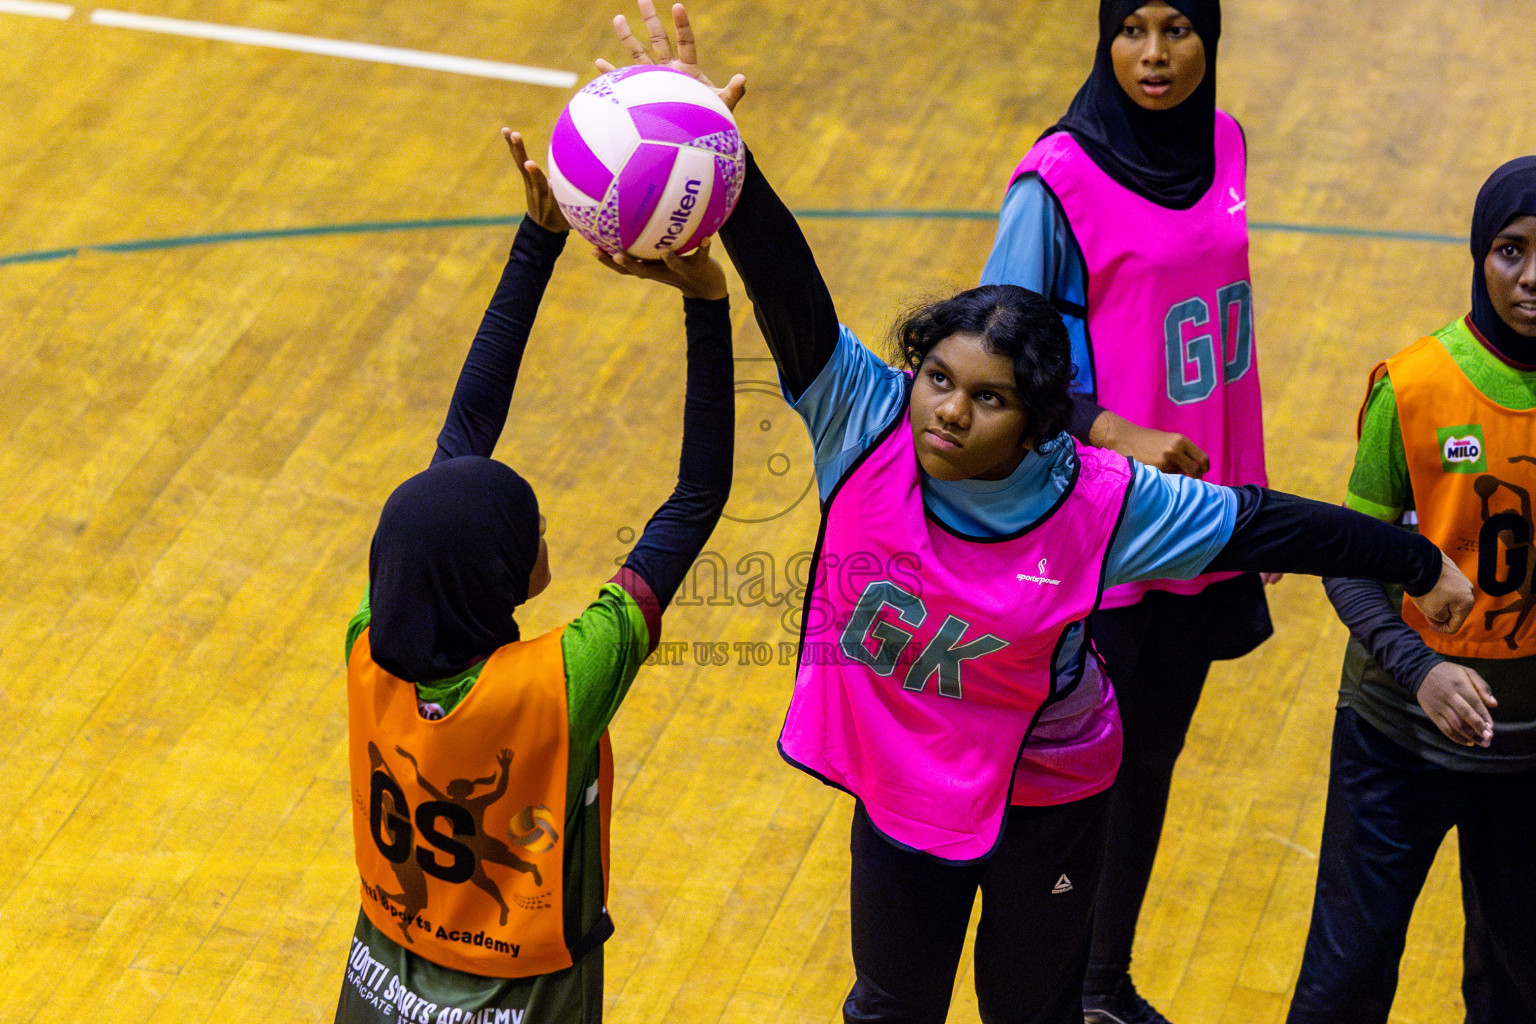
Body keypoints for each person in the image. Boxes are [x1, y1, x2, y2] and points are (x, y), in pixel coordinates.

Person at [596, 6, 1474, 1024]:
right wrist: (711, 142)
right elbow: (790, 288)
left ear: (1038, 423)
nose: (949, 409)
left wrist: (1414, 558)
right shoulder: (864, 420)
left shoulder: (1100, 500)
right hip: (903, 783)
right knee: (888, 1005)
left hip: (1047, 793)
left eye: (988, 397)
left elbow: (1269, 523)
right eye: (936, 377)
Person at [333, 128, 734, 1024]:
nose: (542, 524)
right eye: (531, 526)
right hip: (522, 1002)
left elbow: (460, 442)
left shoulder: (372, 640)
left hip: (377, 985)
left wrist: (537, 241)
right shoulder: (561, 683)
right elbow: (699, 495)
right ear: (500, 578)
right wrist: (707, 304)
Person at [979, 4, 1270, 1020]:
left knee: (1150, 757)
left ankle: (1105, 983)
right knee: (1070, 783)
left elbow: (1219, 337)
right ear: (1104, 39)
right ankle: (1043, 995)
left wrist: (1245, 492)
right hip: (1098, 532)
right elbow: (994, 361)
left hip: (1201, 518)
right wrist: (1114, 432)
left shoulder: (1224, 141)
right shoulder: (1053, 183)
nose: (1155, 55)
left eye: (1179, 27)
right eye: (1133, 28)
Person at [1286, 156, 1536, 1024]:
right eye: (1511, 250)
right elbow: (1347, 556)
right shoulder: (1417, 384)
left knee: (1520, 987)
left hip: (1532, 755)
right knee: (1344, 987)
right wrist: (1417, 667)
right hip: (1397, 733)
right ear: (1479, 254)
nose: (1532, 277)